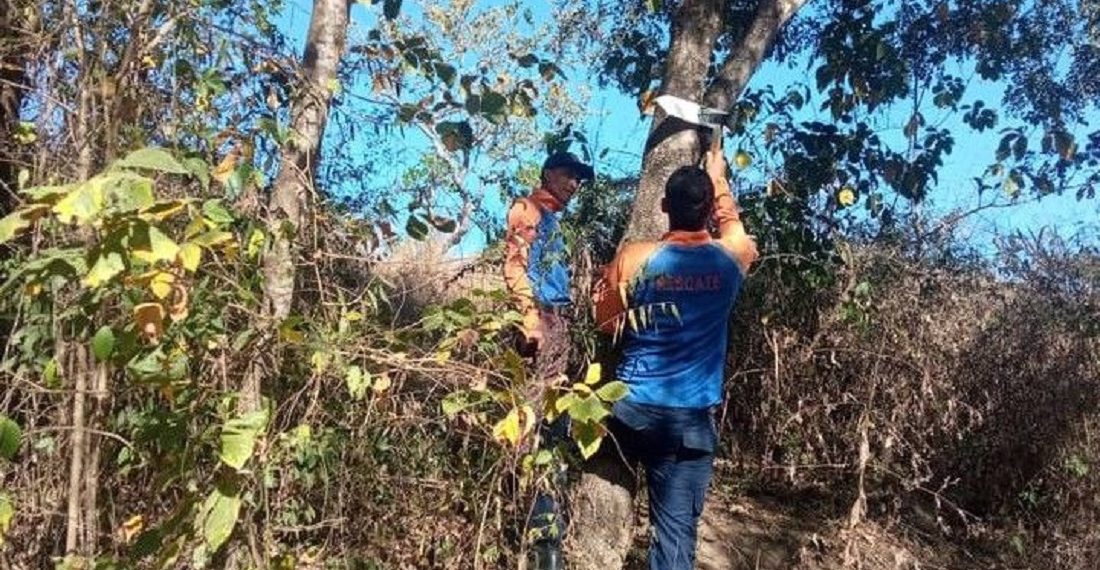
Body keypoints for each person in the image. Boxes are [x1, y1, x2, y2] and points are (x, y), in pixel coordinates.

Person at [591, 148, 757, 570]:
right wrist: (718, 179)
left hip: (629, 415)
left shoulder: (635, 257)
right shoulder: (731, 259)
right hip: (686, 429)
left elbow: (608, 324)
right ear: (708, 211)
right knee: (676, 534)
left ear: (664, 207)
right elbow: (735, 230)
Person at [503, 150, 595, 570]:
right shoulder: (529, 209)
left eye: (578, 178)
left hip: (558, 321)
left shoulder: (555, 219)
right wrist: (529, 318)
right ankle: (538, 537)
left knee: (553, 425)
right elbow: (515, 265)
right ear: (548, 174)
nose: (574, 183)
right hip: (540, 320)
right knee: (534, 425)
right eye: (568, 175)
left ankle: (543, 529)